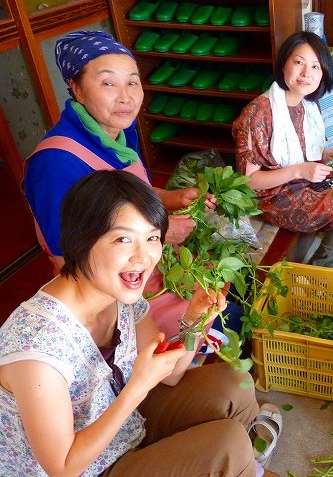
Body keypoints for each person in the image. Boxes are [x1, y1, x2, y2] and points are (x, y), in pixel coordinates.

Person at [0, 170, 265, 476]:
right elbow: (63, 467)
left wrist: (194, 322)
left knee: (234, 385)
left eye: (152, 237)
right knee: (226, 445)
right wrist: (137, 387)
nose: (143, 257)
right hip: (83, 466)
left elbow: (171, 376)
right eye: (123, 239)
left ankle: (240, 466)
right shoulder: (37, 346)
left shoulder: (120, 295)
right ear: (80, 241)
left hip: (123, 427)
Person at [21, 30, 242, 339]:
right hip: (111, 292)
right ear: (76, 88)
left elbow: (135, 195)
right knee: (228, 322)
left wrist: (172, 198)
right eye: (108, 83)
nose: (125, 96)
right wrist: (160, 235)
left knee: (232, 292)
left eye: (132, 82)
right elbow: (69, 260)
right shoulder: (55, 164)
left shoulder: (119, 133)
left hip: (152, 263)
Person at [232, 31, 333, 267]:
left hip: (304, 180)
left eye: (316, 66)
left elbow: (311, 152)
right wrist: (299, 171)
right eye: (299, 62)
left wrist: (330, 155)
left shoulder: (308, 103)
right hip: (274, 195)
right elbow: (249, 181)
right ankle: (319, 269)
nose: (307, 73)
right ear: (284, 64)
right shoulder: (259, 113)